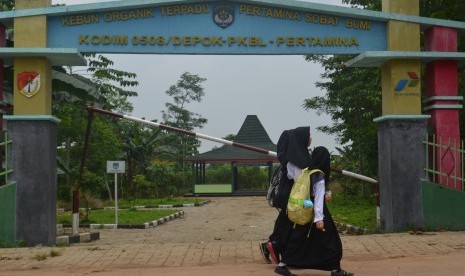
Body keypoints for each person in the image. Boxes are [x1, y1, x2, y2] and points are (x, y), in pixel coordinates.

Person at [276, 146, 354, 276]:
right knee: (332, 240)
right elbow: (318, 198)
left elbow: (290, 172)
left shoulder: (306, 171)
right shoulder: (319, 174)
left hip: (305, 211)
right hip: (317, 212)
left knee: (299, 238)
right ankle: (335, 270)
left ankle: (282, 265)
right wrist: (319, 218)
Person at [259, 127, 312, 266]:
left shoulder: (294, 156)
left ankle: (270, 245)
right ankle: (277, 247)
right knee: (290, 225)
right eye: (308, 136)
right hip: (294, 199)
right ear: (301, 139)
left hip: (288, 198)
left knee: (284, 221)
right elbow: (302, 181)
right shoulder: (297, 160)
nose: (311, 139)